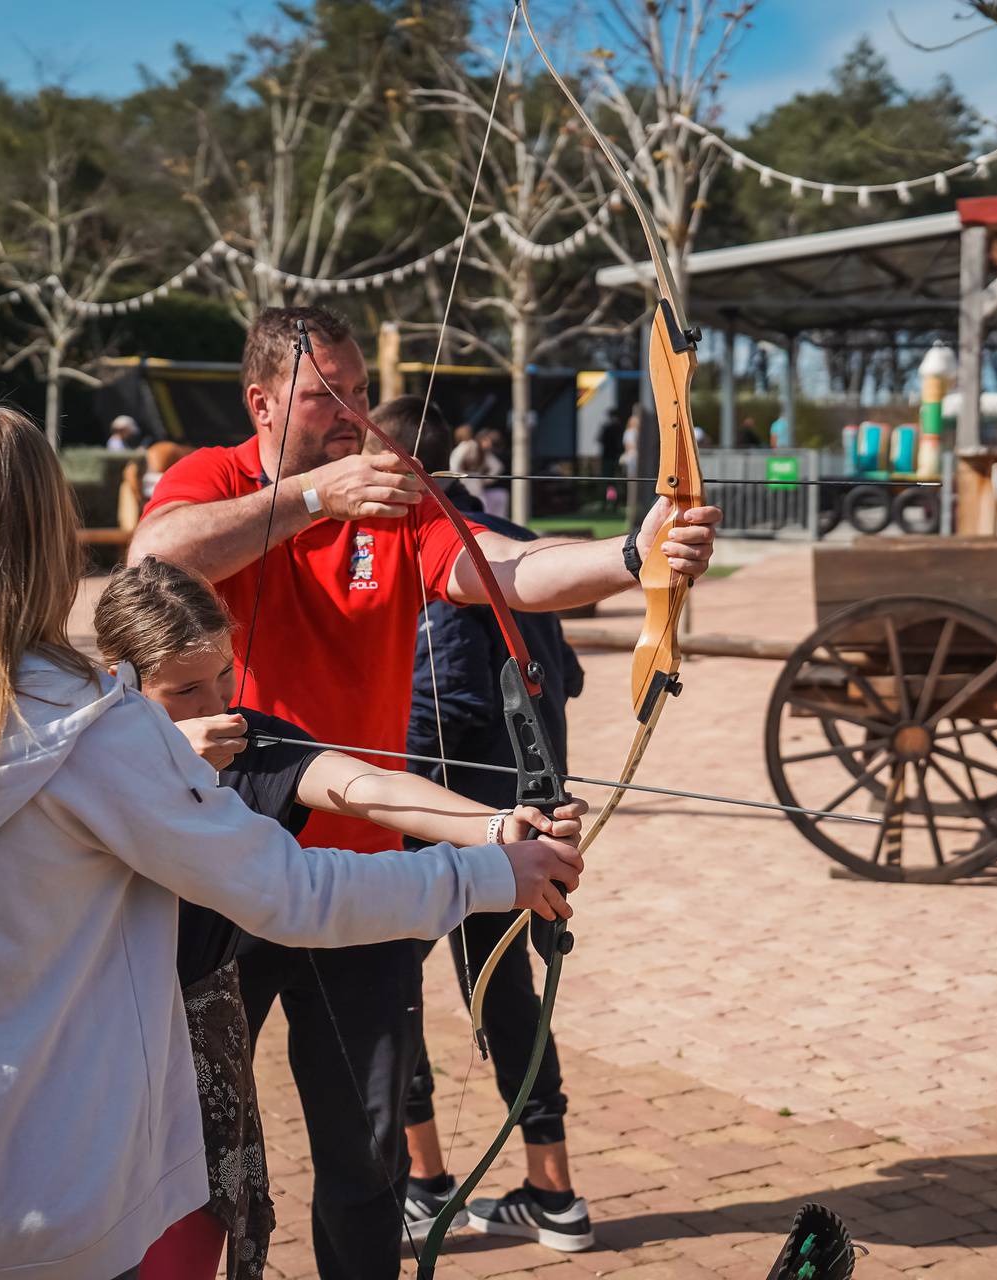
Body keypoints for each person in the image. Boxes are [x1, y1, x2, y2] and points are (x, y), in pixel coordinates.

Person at [0, 402, 584, 1280]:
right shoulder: (95, 729)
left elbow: (345, 783)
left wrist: (493, 836)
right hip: (54, 1217)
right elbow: (293, 892)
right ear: (52, 537)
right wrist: (493, 873)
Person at [126, 304, 720, 1280]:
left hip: (359, 874)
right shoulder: (218, 478)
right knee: (181, 1145)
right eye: (327, 396)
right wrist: (316, 494)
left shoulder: (397, 506)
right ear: (264, 402)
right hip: (219, 862)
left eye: (362, 392)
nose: (354, 415)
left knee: (366, 1155)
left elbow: (508, 571)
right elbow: (157, 562)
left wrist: (631, 558)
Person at [91, 557, 586, 1280]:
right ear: (119, 680)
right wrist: (154, 757)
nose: (215, 704)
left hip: (204, 1035)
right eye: (184, 691)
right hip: (123, 1049)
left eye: (224, 678)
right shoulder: (81, 754)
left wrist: (498, 824)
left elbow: (362, 786)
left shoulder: (242, 736)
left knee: (227, 1221)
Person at [368, 396, 596, 1252]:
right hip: (514, 815)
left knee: (388, 976)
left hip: (461, 816)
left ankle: (424, 1185)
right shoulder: (512, 538)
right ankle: (553, 1192)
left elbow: (437, 712)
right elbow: (562, 677)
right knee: (502, 990)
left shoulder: (422, 556)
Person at [475, 427, 510, 519]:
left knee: (501, 496)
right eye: (487, 440)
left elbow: (497, 467)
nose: (489, 443)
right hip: (471, 487)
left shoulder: (486, 454)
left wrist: (485, 481)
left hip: (482, 489)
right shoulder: (471, 448)